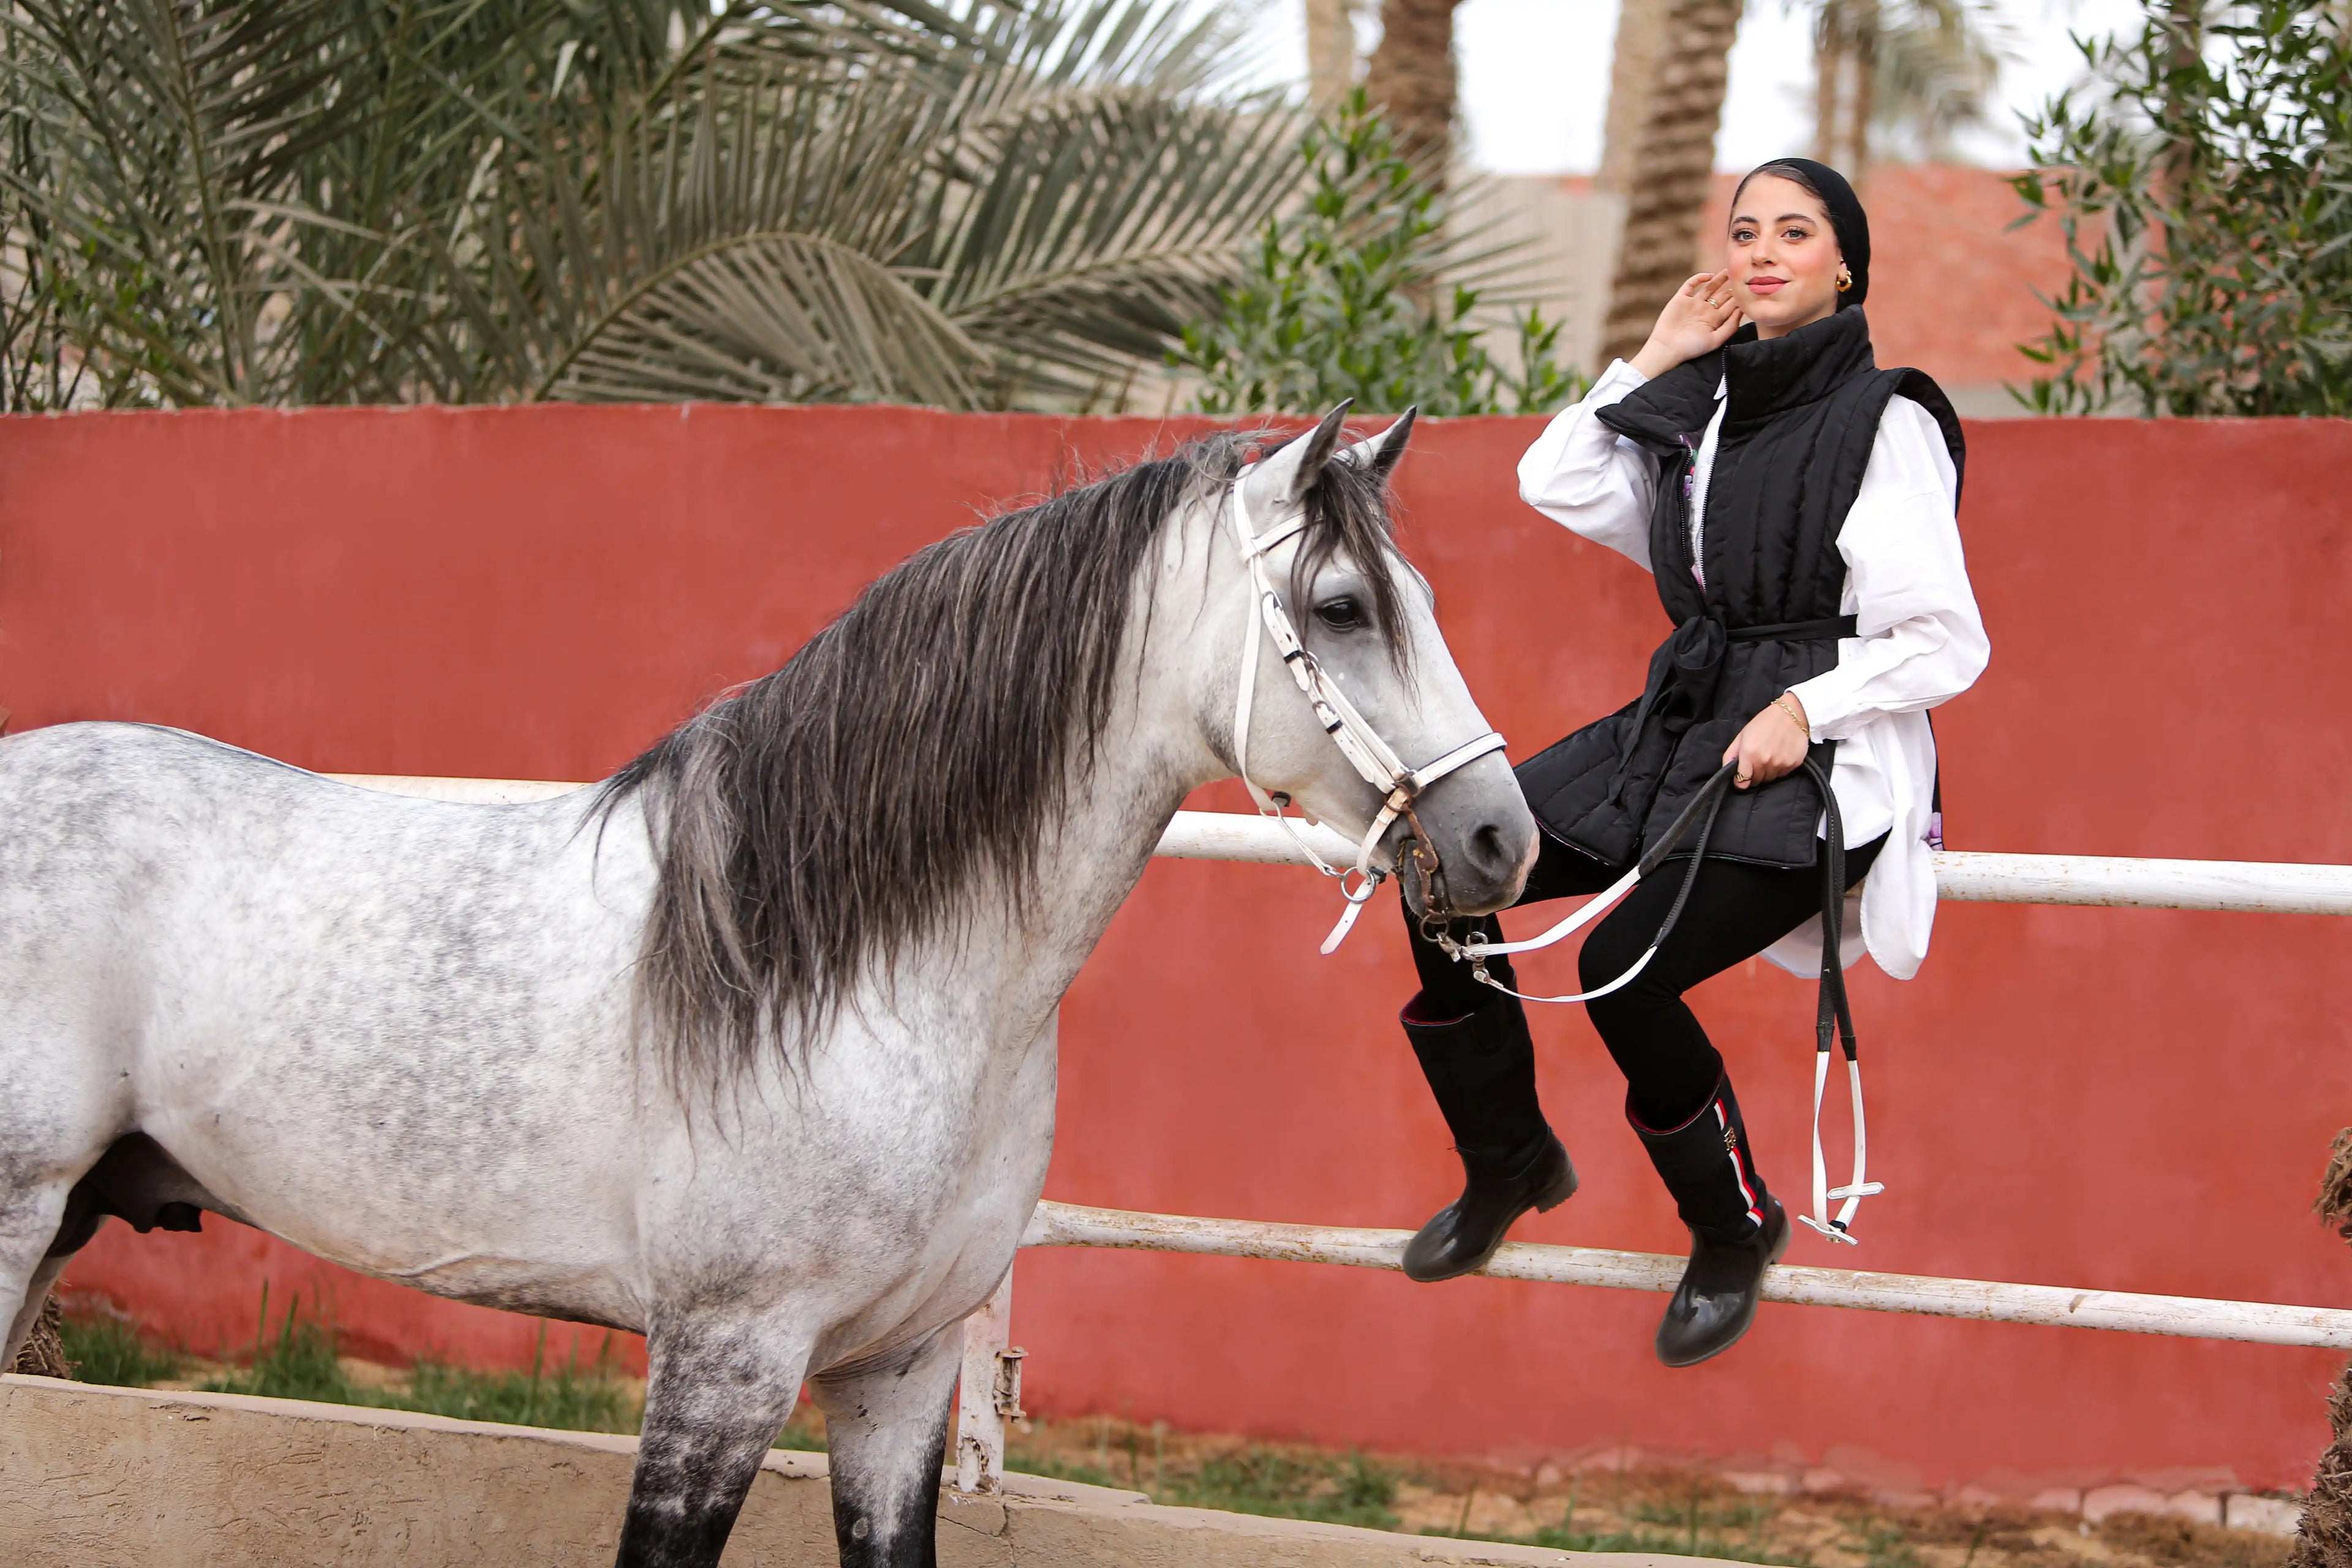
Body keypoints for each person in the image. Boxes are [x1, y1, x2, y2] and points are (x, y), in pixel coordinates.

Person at [1395, 157, 1989, 1367]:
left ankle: (1732, 1225)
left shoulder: (1889, 422)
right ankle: (1509, 1156)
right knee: (1440, 870)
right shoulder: (1701, 409)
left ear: (1846, 265)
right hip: (1680, 722)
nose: (1764, 252)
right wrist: (1658, 354)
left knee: (1621, 968)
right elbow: (1555, 479)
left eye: (1796, 232)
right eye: (1746, 231)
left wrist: (1807, 708)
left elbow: (1945, 639)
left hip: (1827, 758)